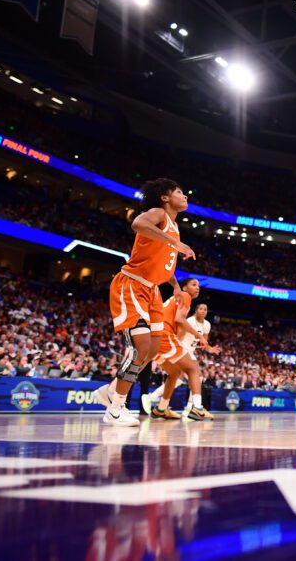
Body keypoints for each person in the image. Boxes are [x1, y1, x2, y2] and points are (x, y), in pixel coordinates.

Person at [97, 178, 195, 427]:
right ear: (164, 197)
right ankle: (115, 407)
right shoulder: (158, 213)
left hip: (152, 291)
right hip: (132, 284)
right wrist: (175, 243)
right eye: (180, 191)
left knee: (151, 350)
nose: (185, 196)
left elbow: (161, 259)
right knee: (141, 347)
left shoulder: (172, 225)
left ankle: (110, 391)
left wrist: (173, 284)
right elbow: (138, 223)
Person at [149, 278, 214, 421]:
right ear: (184, 288)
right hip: (164, 334)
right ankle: (197, 408)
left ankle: (161, 408)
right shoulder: (185, 296)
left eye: (198, 285)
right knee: (193, 368)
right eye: (194, 285)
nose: (198, 288)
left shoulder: (177, 298)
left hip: (153, 337)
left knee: (175, 372)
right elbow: (179, 320)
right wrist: (200, 336)